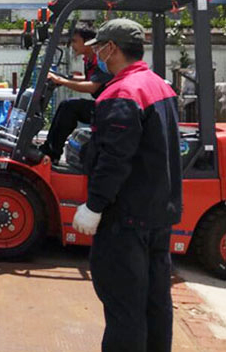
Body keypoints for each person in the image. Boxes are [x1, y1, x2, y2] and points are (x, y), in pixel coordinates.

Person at [72, 18, 182, 352]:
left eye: (99, 49)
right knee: (155, 302)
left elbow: (113, 160)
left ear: (112, 48)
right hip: (158, 214)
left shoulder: (121, 94)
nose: (97, 56)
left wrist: (94, 205)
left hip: (126, 220)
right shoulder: (160, 86)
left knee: (124, 307)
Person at [39, 24, 112, 164]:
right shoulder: (89, 59)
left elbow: (92, 86)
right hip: (102, 105)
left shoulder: (100, 60)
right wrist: (64, 78)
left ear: (88, 42)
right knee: (67, 107)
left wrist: (62, 80)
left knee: (69, 107)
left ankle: (52, 153)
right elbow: (90, 79)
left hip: (109, 108)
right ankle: (49, 148)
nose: (72, 45)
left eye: (74, 41)